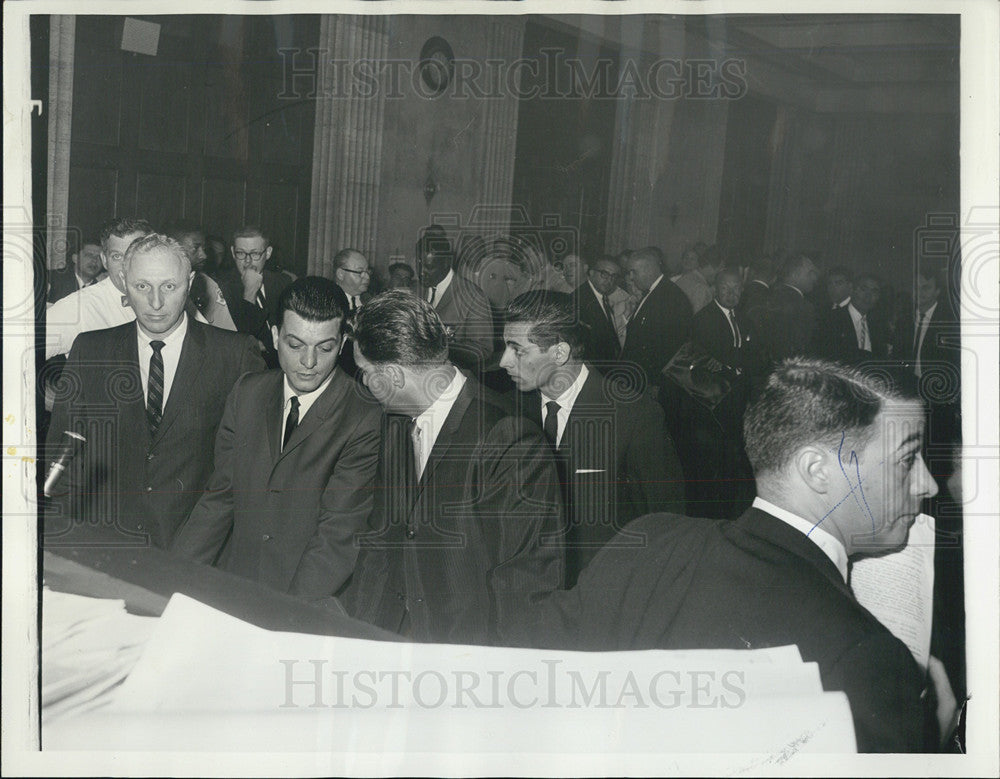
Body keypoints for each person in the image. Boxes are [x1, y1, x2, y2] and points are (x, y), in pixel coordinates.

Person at [526, 358, 956, 753]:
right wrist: (929, 743)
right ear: (818, 470)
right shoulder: (872, 661)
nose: (928, 484)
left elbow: (530, 682)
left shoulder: (647, 538)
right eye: (907, 458)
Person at [342, 291, 564, 646]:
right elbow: (381, 541)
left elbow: (525, 582)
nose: (364, 382)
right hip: (395, 639)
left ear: (395, 375)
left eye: (366, 372)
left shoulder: (509, 438)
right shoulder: (396, 423)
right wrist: (356, 638)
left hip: (468, 655)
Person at [44, 234, 265, 548]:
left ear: (190, 282)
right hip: (103, 545)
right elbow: (61, 460)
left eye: (169, 286)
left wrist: (194, 551)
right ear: (122, 281)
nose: (156, 302)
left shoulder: (234, 355)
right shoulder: (90, 349)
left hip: (197, 549)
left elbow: (243, 474)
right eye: (142, 286)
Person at [172, 277, 381, 608]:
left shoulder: (364, 415)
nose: (309, 363)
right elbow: (219, 498)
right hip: (235, 583)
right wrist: (173, 576)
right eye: (295, 345)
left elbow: (337, 534)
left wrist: (285, 614)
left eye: (324, 348)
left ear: (342, 344)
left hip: (307, 599)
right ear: (274, 337)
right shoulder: (248, 392)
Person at [500, 291, 685, 585]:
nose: (504, 362)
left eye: (517, 350)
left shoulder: (633, 414)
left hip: (606, 589)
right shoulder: (506, 410)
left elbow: (667, 518)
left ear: (559, 353)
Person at [45, 217, 154, 360]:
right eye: (117, 256)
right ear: (104, 260)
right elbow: (19, 356)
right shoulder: (78, 308)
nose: (126, 266)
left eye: (136, 254)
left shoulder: (170, 298)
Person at [416, 225, 494, 373]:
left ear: (446, 263)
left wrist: (439, 347)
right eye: (418, 264)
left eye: (429, 267)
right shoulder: (415, 289)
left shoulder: (472, 296)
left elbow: (483, 349)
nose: (421, 272)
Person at [217, 225, 295, 367]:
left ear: (268, 253)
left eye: (255, 254)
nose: (247, 261)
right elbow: (241, 341)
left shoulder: (283, 282)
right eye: (241, 253)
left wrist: (267, 345)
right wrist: (250, 293)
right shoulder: (221, 287)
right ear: (233, 252)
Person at [620, 246, 693, 392]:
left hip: (649, 383)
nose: (631, 277)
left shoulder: (670, 297)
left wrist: (655, 383)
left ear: (648, 269)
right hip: (638, 379)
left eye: (633, 271)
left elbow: (671, 347)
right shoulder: (656, 292)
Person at [165, 220, 237, 332]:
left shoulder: (207, 284)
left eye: (204, 249)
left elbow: (226, 330)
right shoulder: (155, 283)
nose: (203, 256)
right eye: (196, 248)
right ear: (172, 247)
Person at [751, 252, 820, 365]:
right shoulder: (804, 307)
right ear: (795, 275)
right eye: (810, 273)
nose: (814, 278)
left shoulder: (767, 296)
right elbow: (801, 350)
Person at [814, 273, 887, 364]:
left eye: (874, 291)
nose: (868, 296)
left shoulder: (879, 325)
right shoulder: (831, 319)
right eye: (863, 289)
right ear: (852, 290)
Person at [573, 255, 625, 364]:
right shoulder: (579, 299)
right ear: (591, 273)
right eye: (604, 274)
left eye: (613, 276)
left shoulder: (600, 296)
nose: (609, 280)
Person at [47, 239, 105, 303]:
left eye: (99, 257)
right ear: (75, 258)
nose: (94, 260)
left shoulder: (101, 290)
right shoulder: (52, 279)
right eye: (89, 255)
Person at [673, 244, 722, 315]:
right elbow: (696, 320)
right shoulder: (701, 288)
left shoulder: (686, 278)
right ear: (712, 268)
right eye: (719, 270)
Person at [333, 248, 372, 314]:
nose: (367, 277)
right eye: (360, 272)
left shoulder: (370, 301)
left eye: (368, 271)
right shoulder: (329, 301)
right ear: (341, 274)